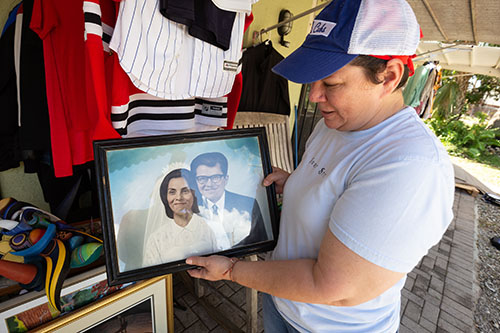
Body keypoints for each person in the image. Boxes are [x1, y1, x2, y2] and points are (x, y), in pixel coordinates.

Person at [185, 1, 455, 332]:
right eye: (314, 80)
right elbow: (330, 183)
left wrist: (230, 270)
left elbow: (332, 287)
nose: (313, 96)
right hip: (283, 302)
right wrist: (297, 183)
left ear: (389, 76)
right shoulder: (335, 123)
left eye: (330, 84)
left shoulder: (409, 166)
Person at [190, 152, 268, 249]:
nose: (209, 184)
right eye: (202, 178)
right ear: (196, 181)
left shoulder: (248, 204)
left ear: (226, 179)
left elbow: (261, 244)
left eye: (215, 177)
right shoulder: (189, 209)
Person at [142, 168, 217, 266]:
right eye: (172, 192)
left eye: (185, 191)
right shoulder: (156, 239)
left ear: (194, 194)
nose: (178, 197)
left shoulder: (211, 228)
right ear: (165, 197)